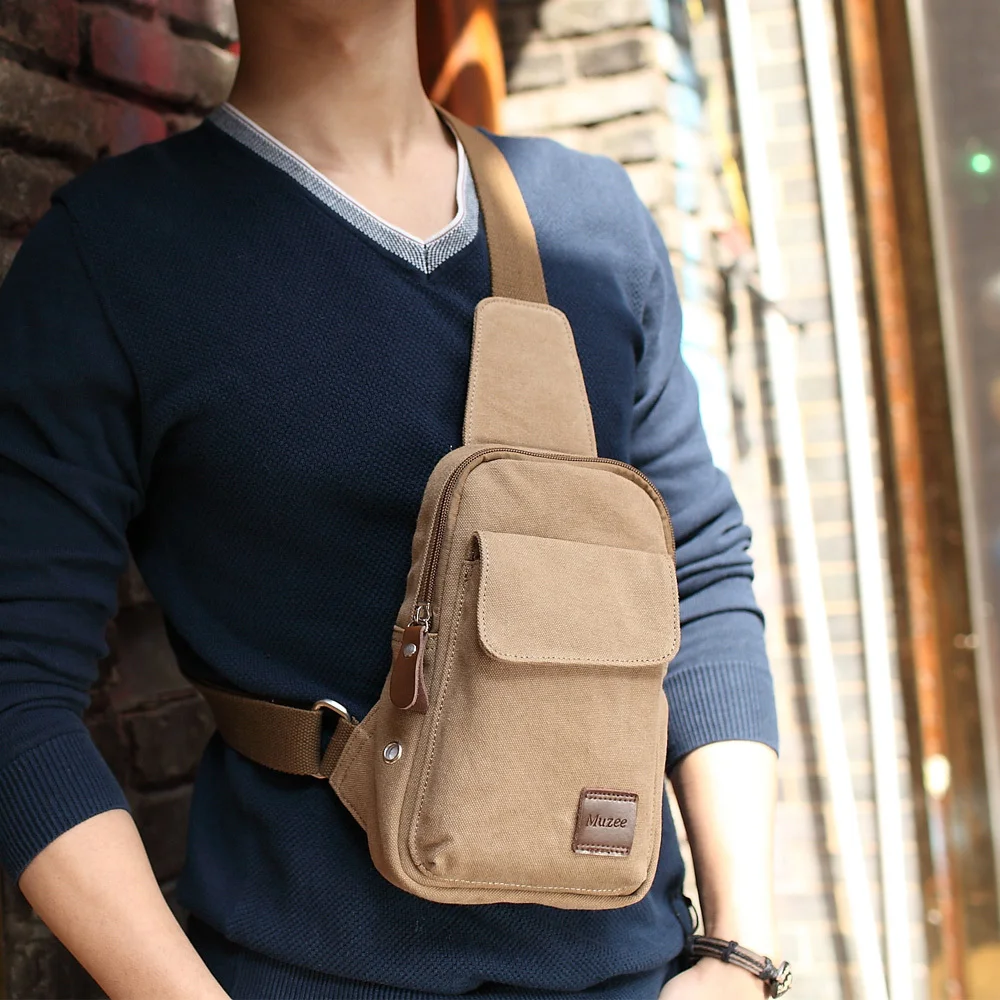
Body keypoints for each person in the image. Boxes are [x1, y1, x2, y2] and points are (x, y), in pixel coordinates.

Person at [0, 1, 781, 997]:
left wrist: (740, 953)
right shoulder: (115, 254)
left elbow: (699, 578)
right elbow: (17, 684)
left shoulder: (592, 221)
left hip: (642, 969)